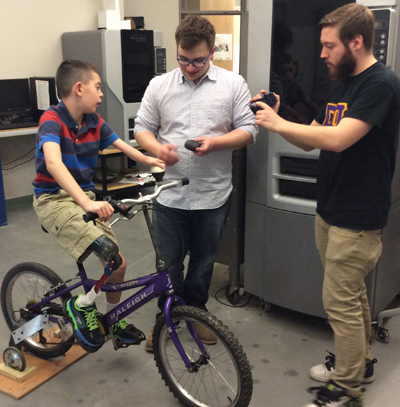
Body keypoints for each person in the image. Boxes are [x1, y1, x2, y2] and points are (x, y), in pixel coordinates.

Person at [251, 4, 400, 407]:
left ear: (356, 42)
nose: (321, 54)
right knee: (348, 299)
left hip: (357, 217)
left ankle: (346, 389)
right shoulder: (343, 85)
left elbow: (339, 139)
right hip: (331, 210)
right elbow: (313, 137)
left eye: (329, 46)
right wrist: (281, 116)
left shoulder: (380, 85)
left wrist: (278, 125)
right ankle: (359, 364)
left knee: (340, 302)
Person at [134, 15, 257, 351]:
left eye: (198, 60)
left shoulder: (233, 84)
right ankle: (167, 319)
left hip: (213, 195)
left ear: (212, 51)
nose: (190, 67)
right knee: (169, 263)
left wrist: (216, 143)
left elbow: (249, 130)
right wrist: (157, 147)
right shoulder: (159, 85)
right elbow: (141, 128)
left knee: (203, 262)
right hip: (170, 196)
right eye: (183, 59)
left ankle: (196, 313)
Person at [32, 59, 164, 352]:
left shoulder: (93, 121)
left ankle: (114, 320)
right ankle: (81, 305)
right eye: (98, 87)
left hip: (85, 198)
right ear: (79, 88)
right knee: (107, 251)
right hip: (54, 199)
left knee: (117, 264)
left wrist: (148, 159)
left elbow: (120, 143)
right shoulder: (52, 120)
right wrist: (86, 202)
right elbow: (53, 163)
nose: (102, 94)